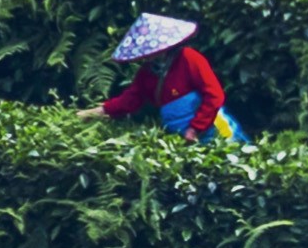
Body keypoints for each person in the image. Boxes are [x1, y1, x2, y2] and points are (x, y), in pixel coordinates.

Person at [100, 12, 246, 147]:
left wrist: (195, 128)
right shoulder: (147, 71)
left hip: (213, 127)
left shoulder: (189, 58)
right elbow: (130, 100)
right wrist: (97, 111)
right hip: (180, 133)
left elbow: (215, 95)